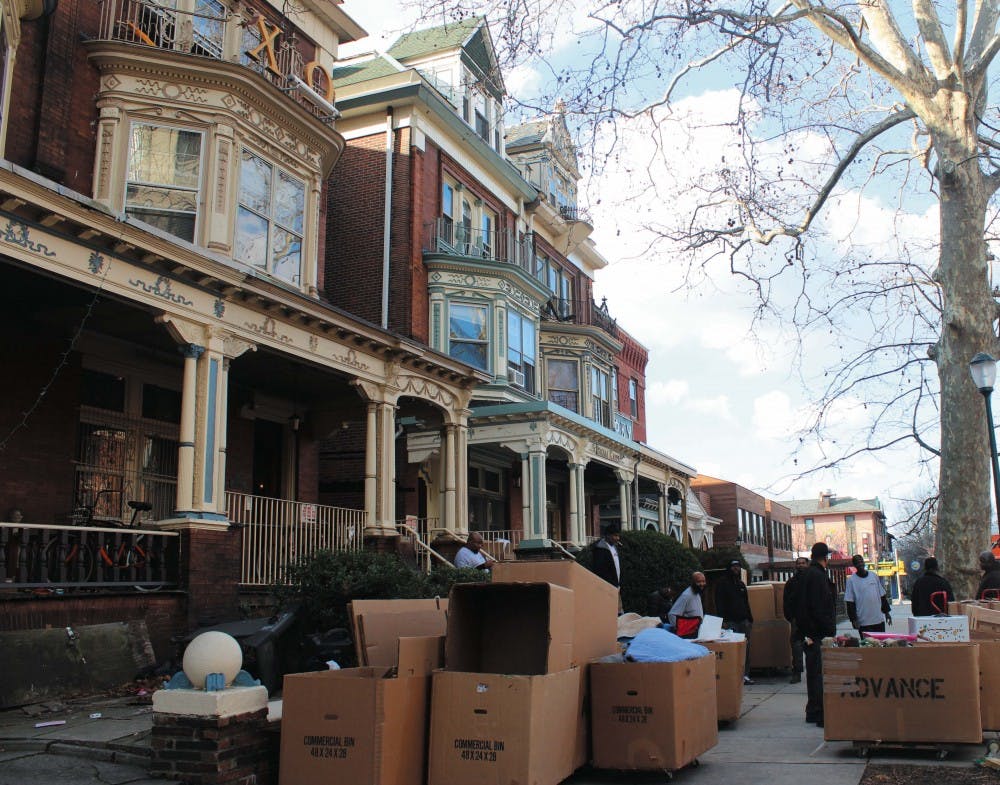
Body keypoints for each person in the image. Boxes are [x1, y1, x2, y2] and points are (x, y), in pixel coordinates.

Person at [795, 542, 837, 727]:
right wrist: (829, 629)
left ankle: (813, 710)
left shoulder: (805, 576)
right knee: (819, 674)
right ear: (825, 558)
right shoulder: (818, 576)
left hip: (807, 632)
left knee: (813, 673)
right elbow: (820, 606)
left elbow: (797, 603)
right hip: (818, 632)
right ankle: (820, 712)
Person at [715, 559, 754, 684]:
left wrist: (749, 618)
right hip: (730, 622)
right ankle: (733, 675)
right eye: (733, 566)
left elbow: (746, 603)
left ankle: (745, 675)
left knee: (746, 649)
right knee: (732, 650)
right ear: (729, 568)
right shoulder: (722, 584)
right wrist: (723, 620)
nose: (736, 569)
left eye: (738, 566)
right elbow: (719, 603)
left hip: (744, 621)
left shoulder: (741, 584)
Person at [845, 554, 891, 633]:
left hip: (878, 620)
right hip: (863, 622)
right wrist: (853, 620)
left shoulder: (873, 576)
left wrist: (887, 613)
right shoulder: (851, 581)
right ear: (854, 565)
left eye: (861, 561)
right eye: (857, 563)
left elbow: (882, 596)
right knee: (867, 645)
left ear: (864, 562)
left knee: (881, 644)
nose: (860, 564)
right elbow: (850, 602)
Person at [783, 556, 809, 683]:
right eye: (798, 563)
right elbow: (786, 601)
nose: (800, 565)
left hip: (811, 620)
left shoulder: (812, 581)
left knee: (813, 646)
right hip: (797, 620)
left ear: (807, 565)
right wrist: (790, 617)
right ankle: (797, 672)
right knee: (796, 647)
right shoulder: (791, 583)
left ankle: (814, 671)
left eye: (803, 563)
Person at [668, 571, 706, 638]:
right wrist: (681, 630)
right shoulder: (687, 595)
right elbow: (672, 614)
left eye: (703, 581)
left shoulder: (697, 593)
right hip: (688, 635)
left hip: (696, 632)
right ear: (693, 582)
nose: (702, 584)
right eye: (699, 582)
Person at [591, 522, 622, 588]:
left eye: (618, 536)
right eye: (615, 535)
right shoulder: (600, 550)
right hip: (607, 587)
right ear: (608, 535)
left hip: (616, 586)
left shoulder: (614, 548)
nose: (618, 538)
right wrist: (611, 585)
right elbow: (600, 571)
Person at [4, 507, 23, 583]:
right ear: (11, 517)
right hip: (10, 550)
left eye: (19, 515)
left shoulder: (23, 528)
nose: (17, 517)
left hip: (20, 550)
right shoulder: (6, 527)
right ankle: (10, 577)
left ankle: (17, 577)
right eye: (15, 515)